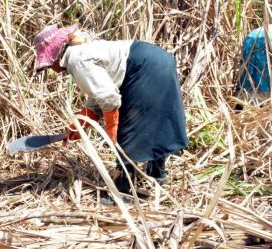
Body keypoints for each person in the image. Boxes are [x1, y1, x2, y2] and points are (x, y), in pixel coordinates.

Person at [32, 24, 188, 195]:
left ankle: (122, 190)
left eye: (49, 65)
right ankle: (156, 174)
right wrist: (80, 124)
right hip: (158, 60)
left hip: (141, 67)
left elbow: (108, 98)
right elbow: (100, 96)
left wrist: (113, 132)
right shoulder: (83, 51)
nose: (52, 69)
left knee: (129, 130)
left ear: (55, 56)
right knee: (152, 120)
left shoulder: (76, 59)